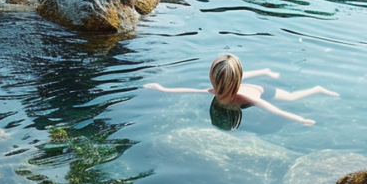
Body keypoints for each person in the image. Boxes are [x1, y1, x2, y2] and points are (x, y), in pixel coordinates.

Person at [144, 53, 339, 125]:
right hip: (239, 82)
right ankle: (264, 70)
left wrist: (300, 119)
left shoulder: (244, 96)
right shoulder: (216, 90)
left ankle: (317, 89)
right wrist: (163, 89)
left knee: (291, 97)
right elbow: (191, 90)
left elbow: (274, 109)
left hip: (262, 90)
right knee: (237, 78)